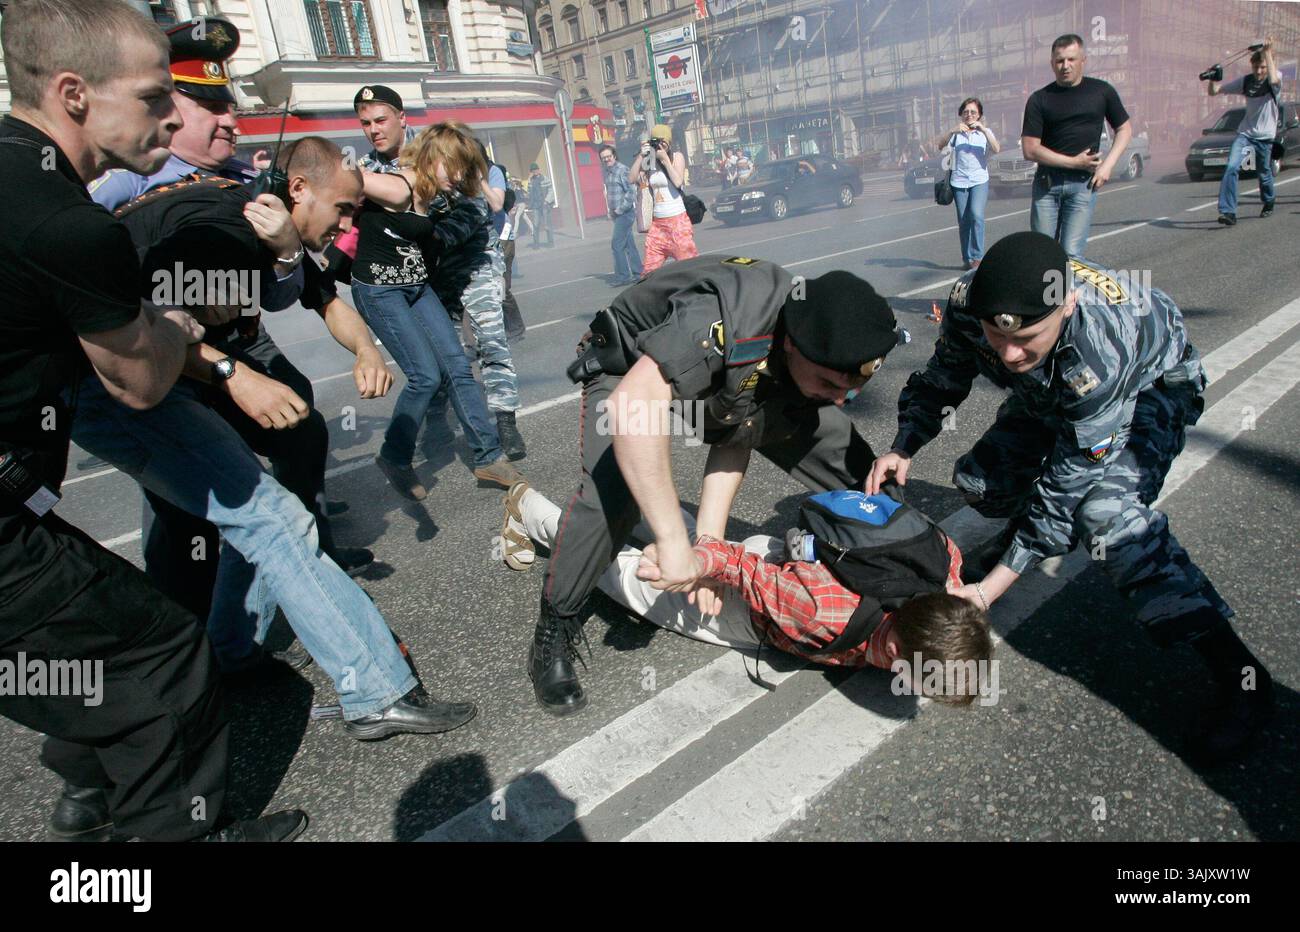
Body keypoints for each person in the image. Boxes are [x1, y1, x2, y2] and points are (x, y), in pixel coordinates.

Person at [0, 0, 305, 842]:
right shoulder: (68, 223)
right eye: (150, 96)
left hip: (17, 508)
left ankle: (90, 798)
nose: (173, 114)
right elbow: (137, 381)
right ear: (71, 93)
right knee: (166, 659)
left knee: (90, 657)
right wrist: (176, 327)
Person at [74, 134, 479, 741]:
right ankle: (365, 690)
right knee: (249, 524)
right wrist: (234, 375)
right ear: (298, 190)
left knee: (273, 489)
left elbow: (318, 297)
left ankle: (226, 653)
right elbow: (145, 330)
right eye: (343, 210)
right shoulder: (225, 228)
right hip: (123, 384)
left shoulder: (258, 220)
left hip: (155, 374)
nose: (348, 224)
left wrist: (365, 346)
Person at [867, 231, 1274, 762]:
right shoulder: (976, 302)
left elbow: (1068, 484)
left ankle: (1243, 679)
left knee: (1105, 518)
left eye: (1027, 338)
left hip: (1148, 390)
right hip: (1055, 394)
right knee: (981, 483)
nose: (1010, 354)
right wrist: (904, 445)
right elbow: (944, 376)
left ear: (1068, 304)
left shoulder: (1099, 352)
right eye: (997, 335)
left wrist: (990, 590)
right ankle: (1024, 544)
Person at [525, 255, 907, 716]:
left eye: (852, 389)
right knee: (616, 495)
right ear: (790, 345)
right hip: (629, 369)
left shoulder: (809, 340)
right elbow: (634, 406)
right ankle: (556, 623)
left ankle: (895, 570)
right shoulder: (729, 320)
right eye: (831, 382)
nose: (843, 399)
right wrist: (672, 542)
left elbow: (737, 435)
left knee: (858, 469)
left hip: (722, 384)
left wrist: (707, 553)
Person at [90, 18, 376, 618]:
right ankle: (196, 627)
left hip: (239, 346)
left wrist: (290, 255)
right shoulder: (122, 183)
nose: (227, 120)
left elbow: (291, 295)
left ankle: (300, 562)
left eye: (230, 106)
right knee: (184, 503)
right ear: (169, 107)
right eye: (207, 106)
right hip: (170, 362)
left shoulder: (249, 185)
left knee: (300, 429)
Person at [503, 482, 993, 702]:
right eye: (911, 676)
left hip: (788, 559)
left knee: (687, 537)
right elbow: (737, 568)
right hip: (750, 602)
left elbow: (944, 551)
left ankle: (639, 495)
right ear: (893, 647)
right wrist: (692, 567)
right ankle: (530, 510)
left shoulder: (945, 581)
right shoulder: (820, 615)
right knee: (624, 576)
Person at [343, 90, 524, 494]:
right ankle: (396, 455)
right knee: (426, 375)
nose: (373, 130)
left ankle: (489, 455)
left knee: (459, 364)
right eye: (365, 123)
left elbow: (476, 205)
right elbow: (353, 187)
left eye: (381, 120)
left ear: (403, 120)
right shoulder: (395, 179)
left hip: (424, 279)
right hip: (382, 287)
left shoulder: (437, 160)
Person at [1021, 33, 1132, 258]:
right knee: (1042, 254)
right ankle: (1049, 294)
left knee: (1072, 254)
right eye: (1060, 61)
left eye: (1071, 59)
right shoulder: (1040, 99)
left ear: (1083, 60)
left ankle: (1066, 293)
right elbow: (1030, 149)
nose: (1065, 66)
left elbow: (1125, 129)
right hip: (1047, 186)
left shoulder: (1102, 91)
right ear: (1052, 63)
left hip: (1083, 186)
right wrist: (1074, 162)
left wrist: (1107, 166)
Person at [1208, 38, 1281, 224]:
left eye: (1262, 67)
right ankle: (1228, 212)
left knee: (1264, 173)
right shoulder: (1246, 81)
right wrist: (1213, 78)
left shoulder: (1275, 78)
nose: (1259, 71)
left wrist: (1268, 52)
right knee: (1231, 167)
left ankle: (1269, 201)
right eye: (1256, 67)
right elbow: (1214, 91)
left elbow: (1272, 78)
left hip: (1265, 137)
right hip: (1245, 134)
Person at [932, 97, 1000, 270]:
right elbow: (940, 146)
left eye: (973, 112)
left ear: (979, 115)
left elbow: (997, 148)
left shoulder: (984, 133)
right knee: (964, 220)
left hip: (979, 180)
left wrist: (983, 129)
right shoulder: (956, 134)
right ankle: (967, 258)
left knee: (976, 215)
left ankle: (977, 257)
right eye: (966, 112)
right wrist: (952, 131)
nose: (969, 115)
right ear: (961, 115)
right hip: (959, 181)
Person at [629, 124, 699, 276]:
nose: (659, 145)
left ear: (669, 143)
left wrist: (665, 159)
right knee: (649, 272)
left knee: (690, 269)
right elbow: (631, 178)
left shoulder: (676, 157)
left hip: (678, 223)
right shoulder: (649, 160)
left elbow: (678, 181)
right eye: (656, 141)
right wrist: (642, 156)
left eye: (663, 141)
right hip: (658, 225)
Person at [480, 143, 526, 341]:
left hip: (502, 237)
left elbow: (496, 205)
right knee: (488, 288)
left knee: (501, 287)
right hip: (483, 238)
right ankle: (498, 330)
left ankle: (516, 327)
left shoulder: (493, 172)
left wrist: (480, 181)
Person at [600, 143, 643, 286]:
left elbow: (632, 192)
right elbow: (611, 193)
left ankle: (624, 276)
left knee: (617, 245)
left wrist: (620, 209)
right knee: (629, 245)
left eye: (608, 156)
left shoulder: (622, 170)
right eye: (604, 158)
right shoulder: (608, 172)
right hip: (617, 214)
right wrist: (611, 211)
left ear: (614, 156)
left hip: (625, 213)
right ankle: (638, 273)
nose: (607, 160)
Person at [526, 162, 554, 248]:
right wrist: (528, 203)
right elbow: (529, 193)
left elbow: (551, 190)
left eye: (536, 170)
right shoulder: (531, 181)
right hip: (535, 206)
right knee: (535, 224)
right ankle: (536, 243)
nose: (535, 172)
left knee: (547, 224)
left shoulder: (545, 179)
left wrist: (547, 200)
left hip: (544, 204)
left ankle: (550, 242)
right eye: (533, 171)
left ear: (539, 170)